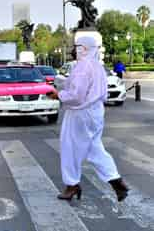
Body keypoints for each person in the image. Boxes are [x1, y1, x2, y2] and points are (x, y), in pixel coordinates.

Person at [47, 36, 129, 202]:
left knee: (70, 148)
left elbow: (77, 96)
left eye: (76, 46)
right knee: (94, 148)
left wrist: (58, 94)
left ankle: (72, 185)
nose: (73, 49)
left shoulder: (83, 67)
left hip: (80, 113)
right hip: (96, 112)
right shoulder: (98, 66)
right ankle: (116, 180)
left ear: (83, 48)